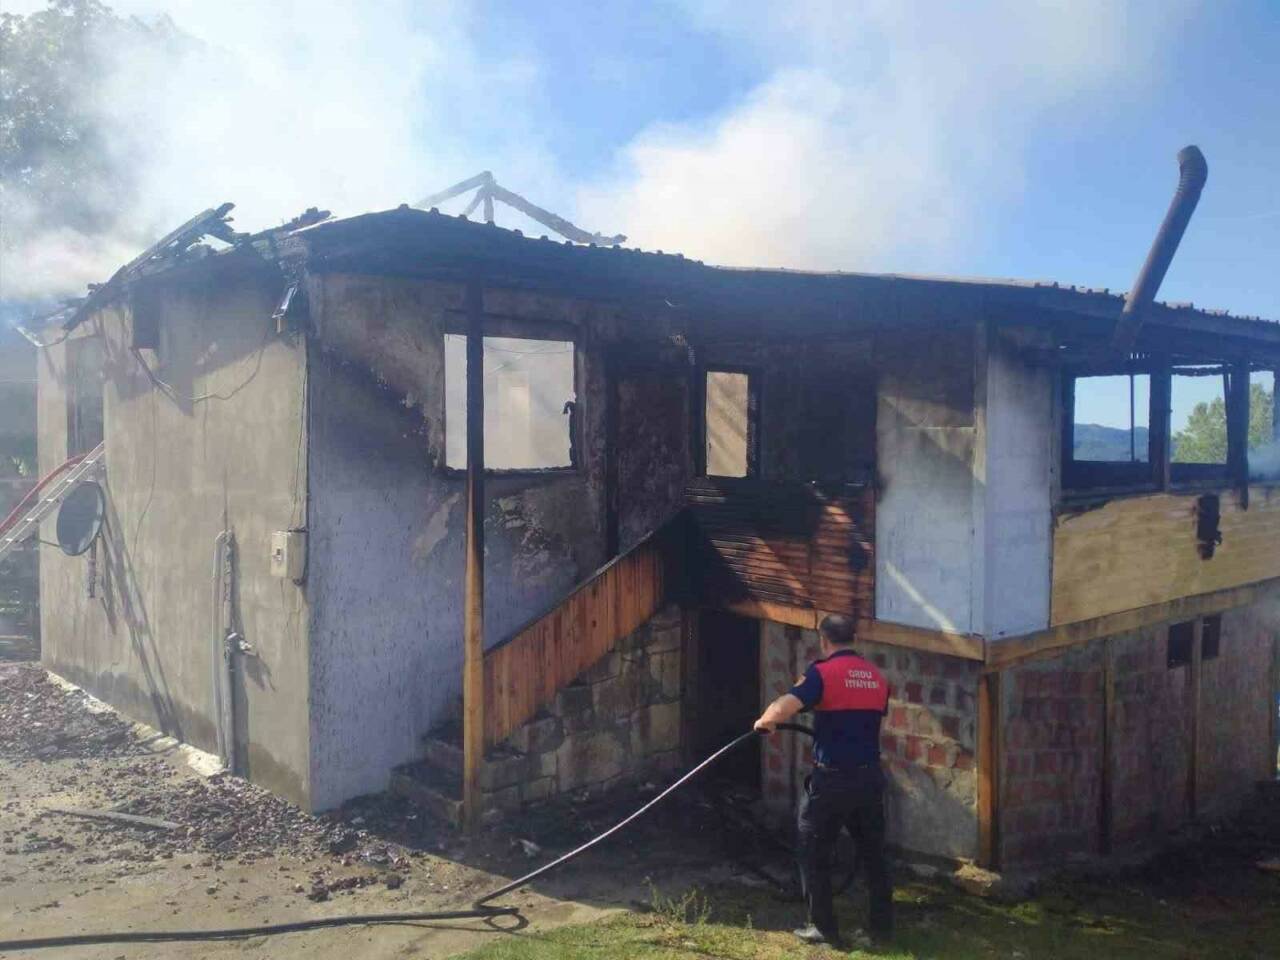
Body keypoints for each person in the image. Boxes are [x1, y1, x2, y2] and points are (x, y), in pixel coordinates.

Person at [753, 613, 893, 947]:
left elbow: (788, 704)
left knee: (812, 849)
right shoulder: (877, 678)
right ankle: (881, 929)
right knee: (874, 854)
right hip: (869, 778)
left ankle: (824, 928)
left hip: (832, 780)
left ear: (824, 640)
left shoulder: (822, 673)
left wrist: (766, 720)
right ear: (855, 639)